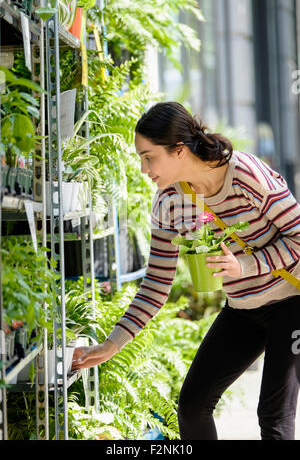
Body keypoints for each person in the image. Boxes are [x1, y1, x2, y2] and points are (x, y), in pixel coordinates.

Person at [72, 101, 300, 440]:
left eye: (149, 157)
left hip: (290, 303)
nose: (143, 168)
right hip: (242, 309)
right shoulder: (168, 202)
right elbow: (155, 285)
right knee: (192, 406)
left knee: (273, 417)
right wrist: (111, 345)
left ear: (179, 151)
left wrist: (246, 265)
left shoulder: (245, 174)